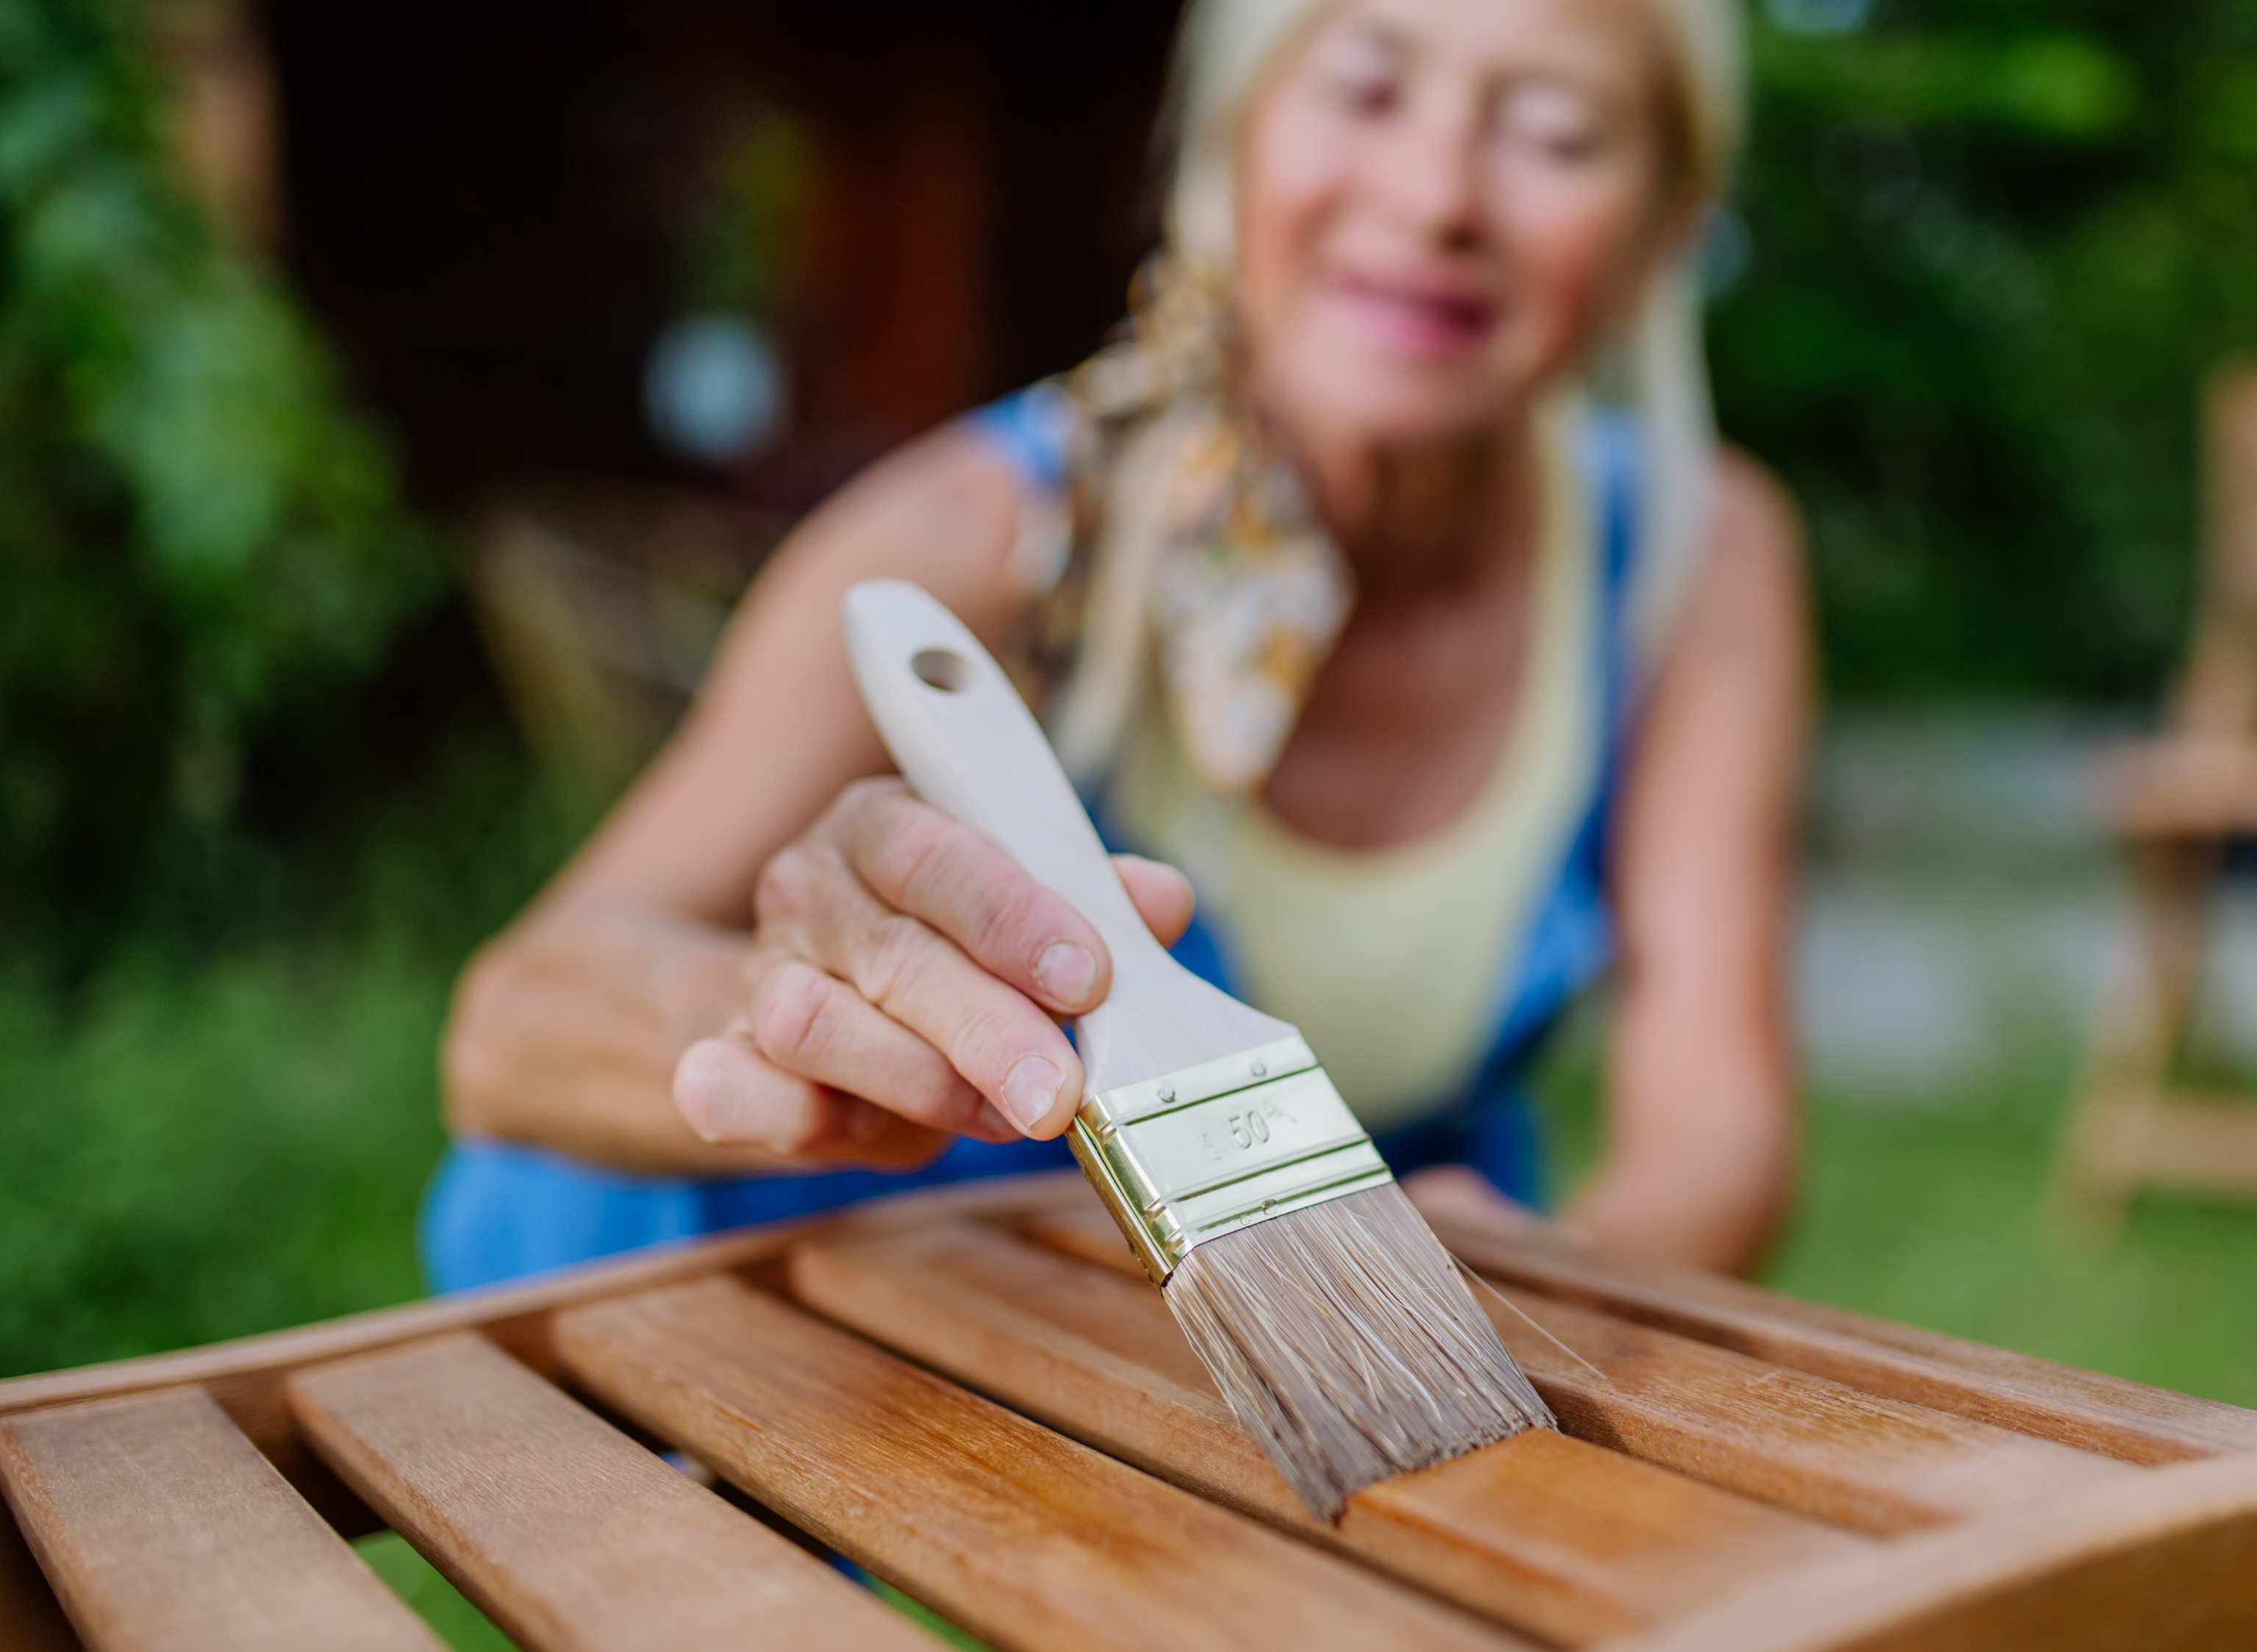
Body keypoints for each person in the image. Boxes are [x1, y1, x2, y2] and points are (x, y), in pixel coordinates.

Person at [428, 0, 1809, 1292]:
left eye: (1553, 133)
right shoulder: (977, 539)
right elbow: (505, 1029)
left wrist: (1552, 1274)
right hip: (839, 1318)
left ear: (1664, 228)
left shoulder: (1691, 557)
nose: (1437, 195)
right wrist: (781, 1010)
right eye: (1366, 90)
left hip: (1318, 1341)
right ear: (1231, 140)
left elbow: (1719, 1117)